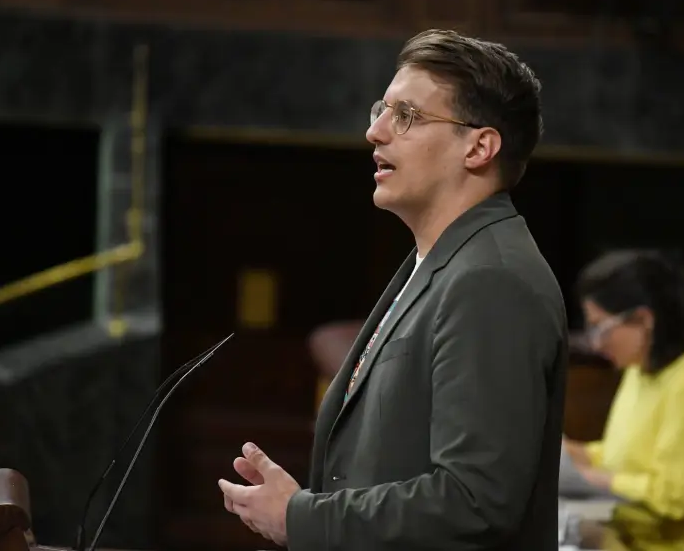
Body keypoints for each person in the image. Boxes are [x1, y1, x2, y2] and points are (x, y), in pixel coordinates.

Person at [217, 29, 569, 551]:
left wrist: (304, 519)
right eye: (381, 109)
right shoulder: (444, 262)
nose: (375, 132)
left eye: (406, 115)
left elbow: (475, 502)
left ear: (479, 147)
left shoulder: (491, 280)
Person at [564, 250, 684, 551]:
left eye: (600, 327)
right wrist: (572, 454)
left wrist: (592, 478)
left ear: (643, 320)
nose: (596, 344)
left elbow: (672, 498)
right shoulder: (638, 370)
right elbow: (626, 457)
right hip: (623, 537)